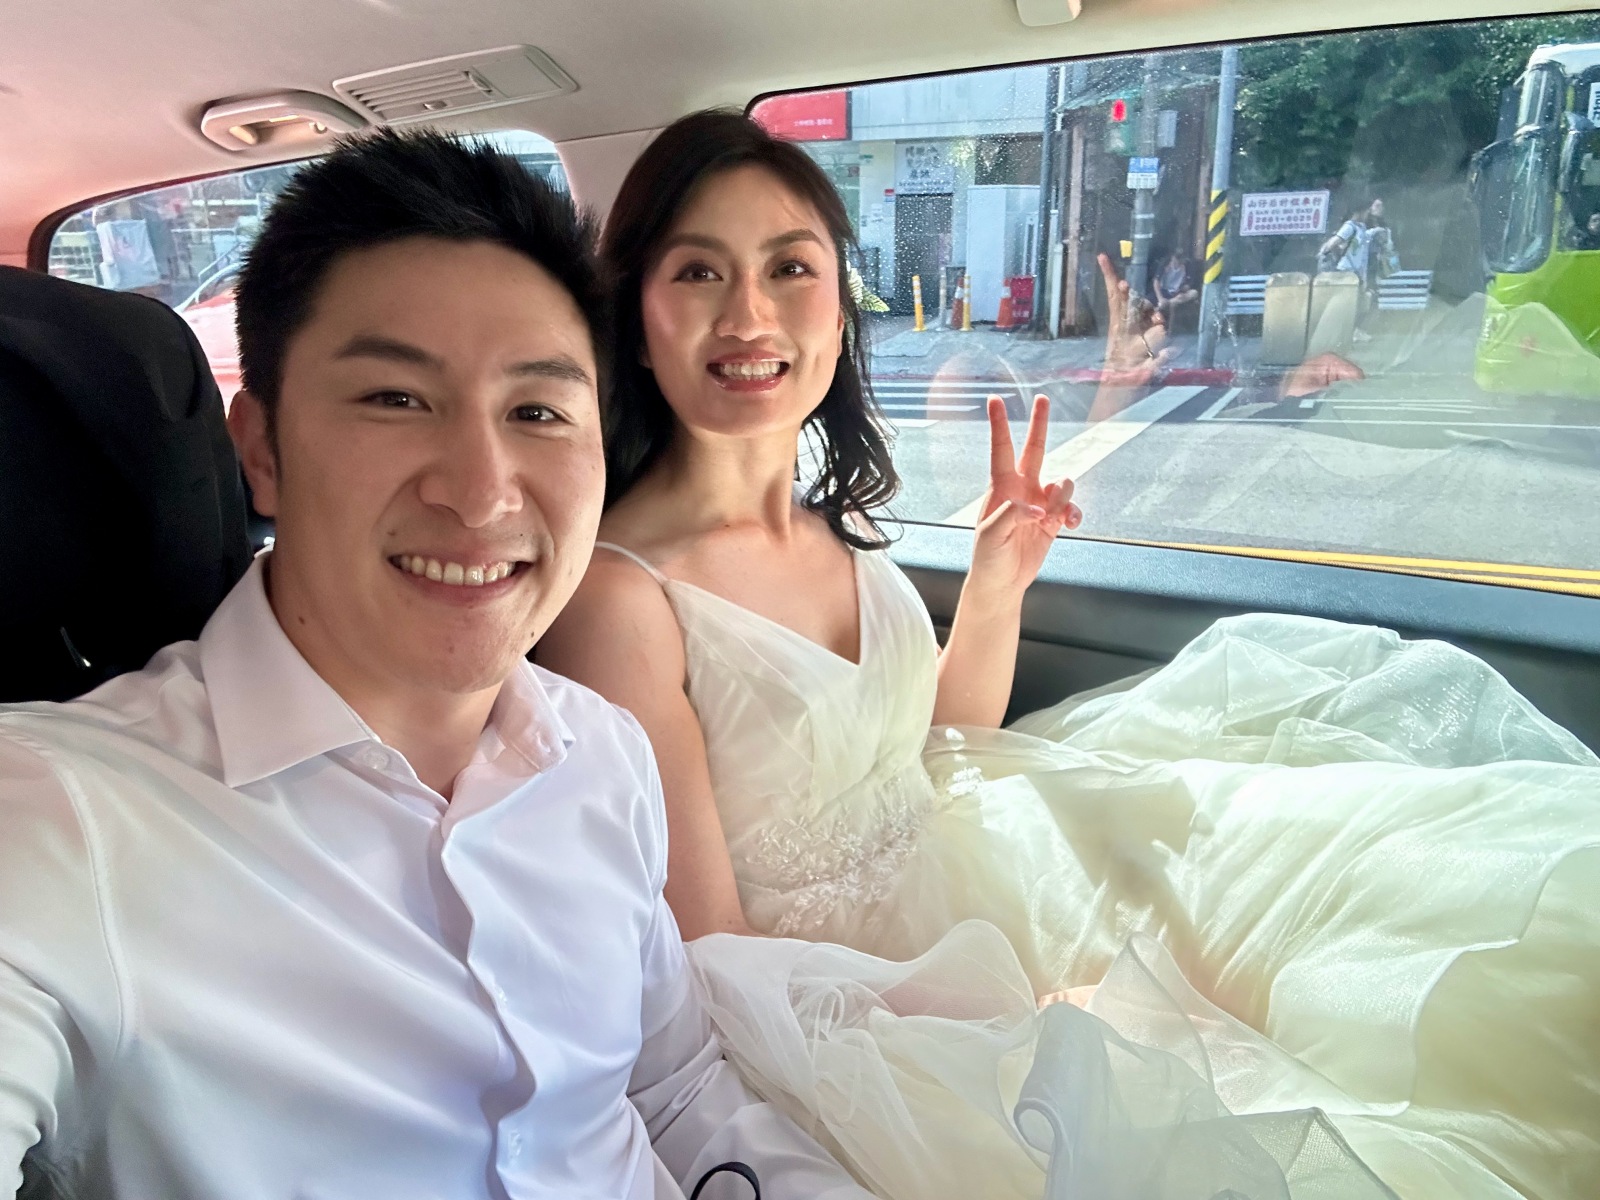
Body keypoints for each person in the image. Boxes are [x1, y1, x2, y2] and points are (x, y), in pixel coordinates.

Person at [539, 109, 1600, 1200]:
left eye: (789, 267)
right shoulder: (622, 600)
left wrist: (995, 586)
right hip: (846, 1023)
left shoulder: (826, 525)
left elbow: (933, 740)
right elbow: (709, 949)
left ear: (837, 305)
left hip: (985, 879)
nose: (750, 314)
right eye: (699, 272)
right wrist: (1006, 1013)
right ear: (635, 315)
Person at [0, 128, 879, 1200]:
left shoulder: (602, 754)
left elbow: (678, 1091)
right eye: (396, 400)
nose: (480, 492)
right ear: (262, 449)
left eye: (538, 412)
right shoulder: (63, 820)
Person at [1149, 249, 1198, 328]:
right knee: (1145, 303)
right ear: (1172, 257)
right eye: (1176, 258)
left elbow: (1188, 285)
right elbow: (1156, 282)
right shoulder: (1165, 263)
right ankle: (1160, 307)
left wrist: (1183, 289)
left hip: (1175, 294)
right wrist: (1160, 298)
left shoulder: (1188, 266)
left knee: (1194, 293)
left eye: (1180, 259)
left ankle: (1166, 305)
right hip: (1162, 291)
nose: (1177, 262)